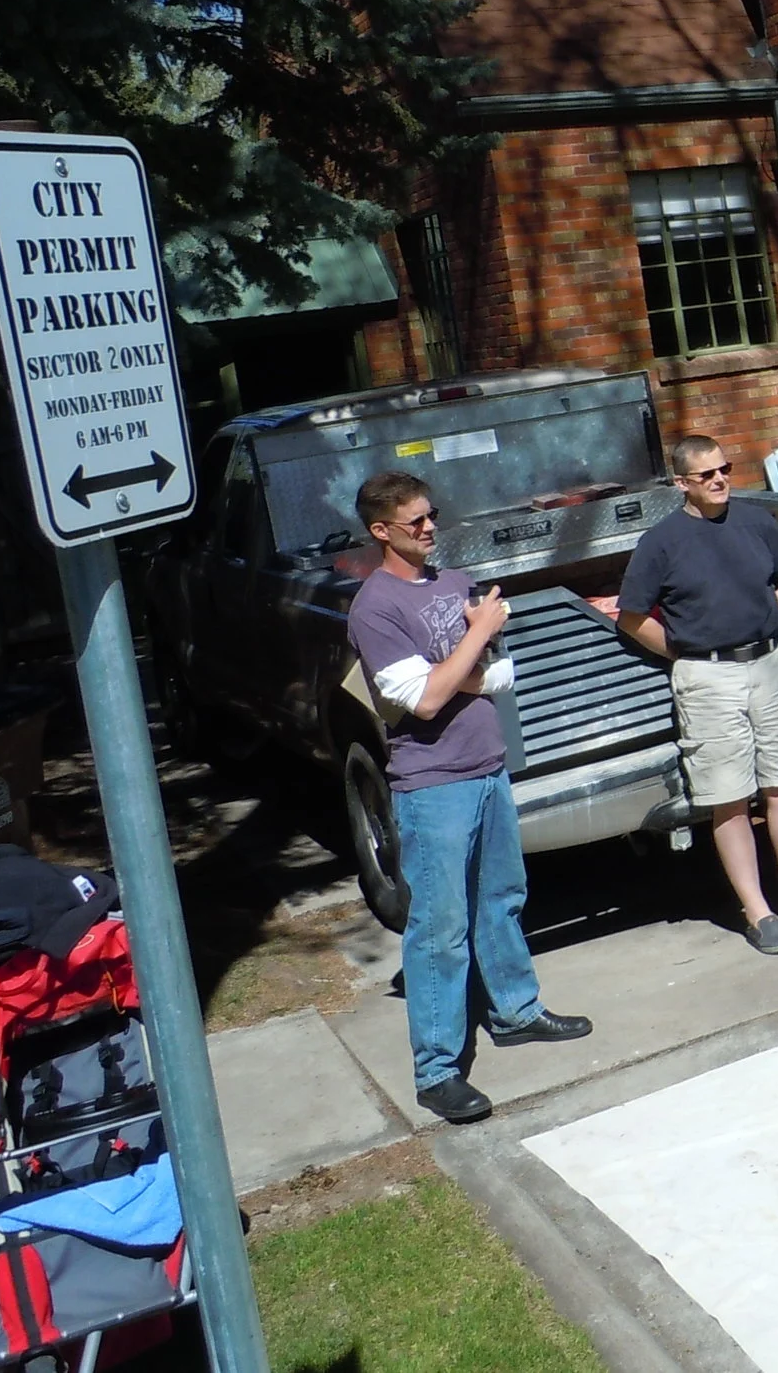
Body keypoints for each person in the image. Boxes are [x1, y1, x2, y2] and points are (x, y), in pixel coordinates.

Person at [347, 472, 590, 1124]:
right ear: (381, 530)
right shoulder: (375, 608)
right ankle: (437, 1070)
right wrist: (475, 637)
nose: (430, 528)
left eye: (432, 515)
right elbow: (422, 697)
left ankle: (515, 1010)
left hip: (487, 767)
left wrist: (464, 661)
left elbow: (493, 677)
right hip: (433, 785)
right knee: (440, 931)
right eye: (415, 521)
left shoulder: (453, 584)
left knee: (501, 899)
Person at [619, 436, 778, 954]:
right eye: (707, 475)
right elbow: (632, 618)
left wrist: (769, 613)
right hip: (708, 679)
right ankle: (758, 912)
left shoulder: (756, 521)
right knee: (729, 799)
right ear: (682, 484)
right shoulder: (661, 541)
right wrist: (684, 652)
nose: (720, 480)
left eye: (725, 469)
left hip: (769, 666)